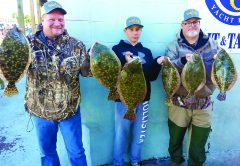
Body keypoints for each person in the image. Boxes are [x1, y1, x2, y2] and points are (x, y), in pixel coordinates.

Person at [23, 1, 90, 165]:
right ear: (43, 19)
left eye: (60, 19)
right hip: (41, 112)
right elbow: (14, 67)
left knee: (77, 152)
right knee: (48, 154)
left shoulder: (77, 45)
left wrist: (92, 59)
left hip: (70, 112)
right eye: (52, 19)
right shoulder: (27, 44)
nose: (57, 23)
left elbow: (86, 73)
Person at [163, 9, 223, 166]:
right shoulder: (173, 46)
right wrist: (182, 60)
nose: (192, 26)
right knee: (175, 139)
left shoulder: (213, 44)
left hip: (203, 103)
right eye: (188, 23)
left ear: (199, 24)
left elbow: (221, 70)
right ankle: (175, 162)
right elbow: (168, 67)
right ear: (182, 25)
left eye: (195, 22)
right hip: (178, 103)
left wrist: (219, 60)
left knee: (198, 143)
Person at [112, 16, 164, 166]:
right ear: (125, 31)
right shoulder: (117, 49)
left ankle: (135, 161)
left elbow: (152, 77)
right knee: (121, 134)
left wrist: (157, 62)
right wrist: (125, 61)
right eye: (132, 29)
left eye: (138, 29)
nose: (135, 33)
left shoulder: (146, 51)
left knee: (139, 135)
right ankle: (118, 162)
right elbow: (113, 73)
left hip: (144, 100)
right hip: (123, 100)